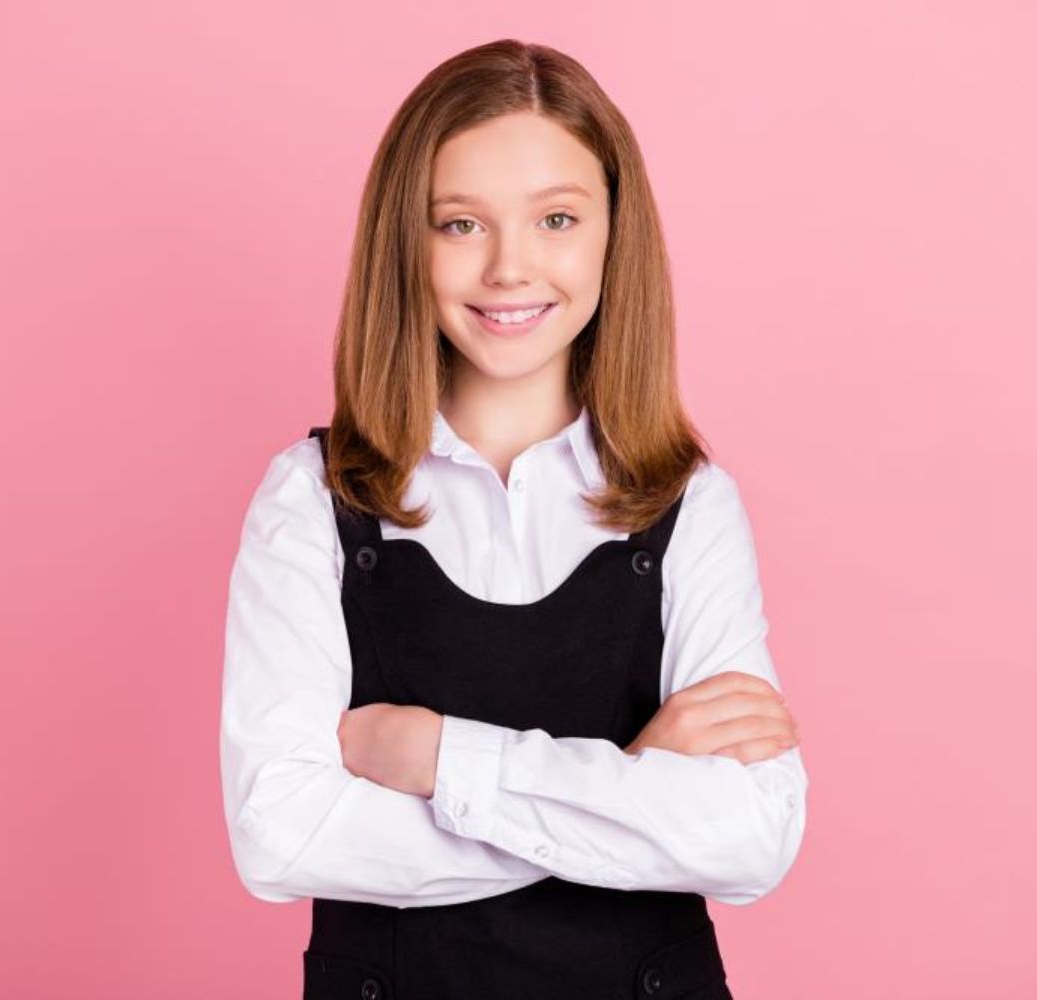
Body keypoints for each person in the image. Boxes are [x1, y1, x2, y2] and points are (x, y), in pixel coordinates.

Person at [220, 38, 807, 999]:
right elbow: (283, 837)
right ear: (403, 240)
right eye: (460, 224)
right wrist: (630, 779)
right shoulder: (310, 499)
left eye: (557, 219)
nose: (509, 267)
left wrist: (439, 757)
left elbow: (751, 838)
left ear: (615, 235)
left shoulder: (691, 503)